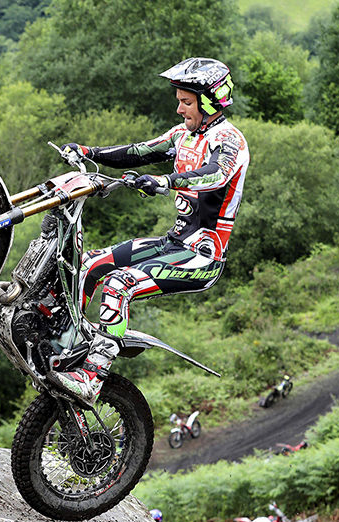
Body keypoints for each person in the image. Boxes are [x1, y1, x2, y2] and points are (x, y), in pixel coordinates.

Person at [51, 57, 249, 404]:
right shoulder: (181, 135)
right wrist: (89, 151)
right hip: (173, 243)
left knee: (118, 284)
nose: (179, 109)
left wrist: (165, 180)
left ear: (208, 101)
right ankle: (64, 346)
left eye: (186, 102)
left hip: (203, 257)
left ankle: (91, 377)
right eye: (179, 101)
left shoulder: (230, 140)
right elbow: (139, 151)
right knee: (88, 265)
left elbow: (215, 174)